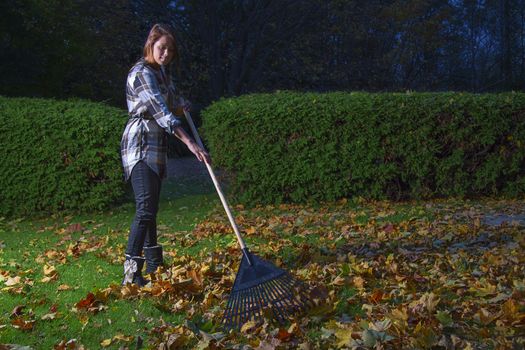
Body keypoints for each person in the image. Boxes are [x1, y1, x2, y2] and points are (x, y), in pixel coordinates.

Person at [120, 23, 210, 286]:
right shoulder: (141, 73)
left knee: (151, 208)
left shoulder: (161, 75)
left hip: (156, 148)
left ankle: (154, 265)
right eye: (162, 47)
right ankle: (131, 273)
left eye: (170, 49)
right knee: (145, 207)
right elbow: (161, 112)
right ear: (151, 45)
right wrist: (191, 144)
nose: (166, 53)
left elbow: (173, 102)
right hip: (140, 144)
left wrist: (182, 104)